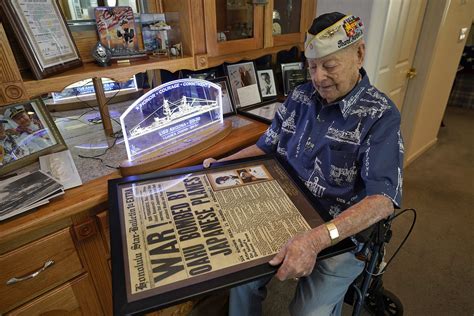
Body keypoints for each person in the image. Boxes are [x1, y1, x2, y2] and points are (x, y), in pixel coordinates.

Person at [203, 12, 403, 316]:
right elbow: (264, 146)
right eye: (312, 66)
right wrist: (220, 164)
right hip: (283, 211)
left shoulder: (380, 115)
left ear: (359, 54)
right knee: (240, 276)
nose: (318, 77)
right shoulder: (300, 96)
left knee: (307, 312)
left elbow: (382, 201)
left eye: (329, 65)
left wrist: (316, 239)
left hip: (339, 233)